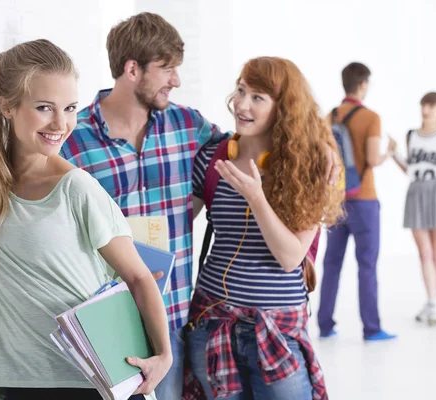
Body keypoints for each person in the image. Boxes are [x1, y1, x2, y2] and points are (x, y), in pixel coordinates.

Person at [59, 13, 341, 399]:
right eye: (168, 69)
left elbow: (257, 139)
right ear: (132, 70)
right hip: (107, 316)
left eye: (256, 95)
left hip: (173, 315)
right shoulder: (73, 140)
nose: (176, 80)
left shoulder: (188, 128)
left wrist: (319, 148)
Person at [0, 39, 171, 400]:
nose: (61, 123)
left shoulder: (76, 189)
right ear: (7, 105)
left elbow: (138, 276)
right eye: (43, 107)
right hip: (16, 383)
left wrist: (163, 355)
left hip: (93, 382)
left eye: (69, 108)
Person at [185, 57, 344, 400]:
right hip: (212, 323)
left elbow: (289, 257)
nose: (242, 104)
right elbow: (176, 228)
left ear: (283, 108)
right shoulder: (212, 159)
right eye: (241, 90)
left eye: (258, 97)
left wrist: (257, 198)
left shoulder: (310, 168)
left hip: (277, 331)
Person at [317, 62, 398, 341]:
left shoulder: (329, 117)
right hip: (364, 200)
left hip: (336, 200)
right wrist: (389, 152)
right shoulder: (371, 117)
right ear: (363, 84)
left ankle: (325, 325)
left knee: (331, 264)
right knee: (367, 265)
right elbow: (373, 159)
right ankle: (371, 328)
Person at [392, 92, 436, 325]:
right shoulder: (411, 135)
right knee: (424, 251)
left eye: (433, 106)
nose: (428, 109)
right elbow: (410, 169)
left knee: (435, 248)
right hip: (417, 190)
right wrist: (394, 154)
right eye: (425, 104)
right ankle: (432, 301)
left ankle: (432, 300)